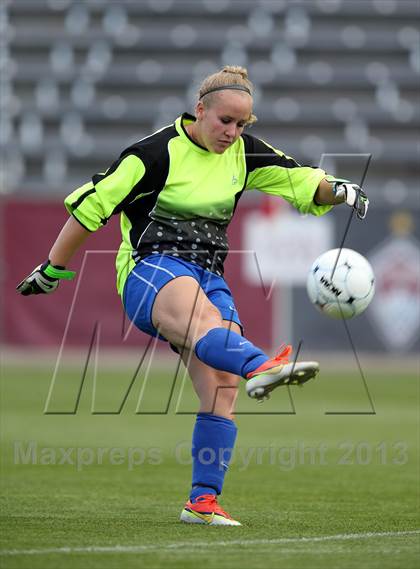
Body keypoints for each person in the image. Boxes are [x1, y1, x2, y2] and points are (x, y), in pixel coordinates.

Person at [17, 65, 369, 526]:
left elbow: (300, 181)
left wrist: (337, 190)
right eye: (225, 121)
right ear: (200, 110)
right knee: (205, 324)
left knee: (222, 388)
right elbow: (92, 206)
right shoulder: (153, 154)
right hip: (150, 270)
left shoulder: (244, 153)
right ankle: (262, 365)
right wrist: (52, 266)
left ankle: (202, 502)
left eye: (242, 125)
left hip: (208, 275)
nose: (232, 132)